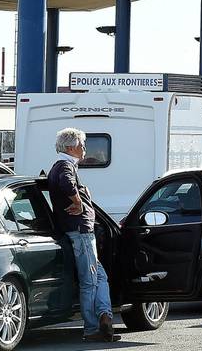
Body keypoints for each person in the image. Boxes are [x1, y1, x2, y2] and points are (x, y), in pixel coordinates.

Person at [47, 128, 119, 342]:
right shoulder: (64, 166)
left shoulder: (64, 166)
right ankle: (91, 328)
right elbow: (66, 182)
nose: (84, 148)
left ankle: (105, 316)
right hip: (80, 232)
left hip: (81, 231)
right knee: (89, 281)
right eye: (81, 145)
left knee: (101, 277)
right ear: (70, 147)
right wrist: (78, 201)